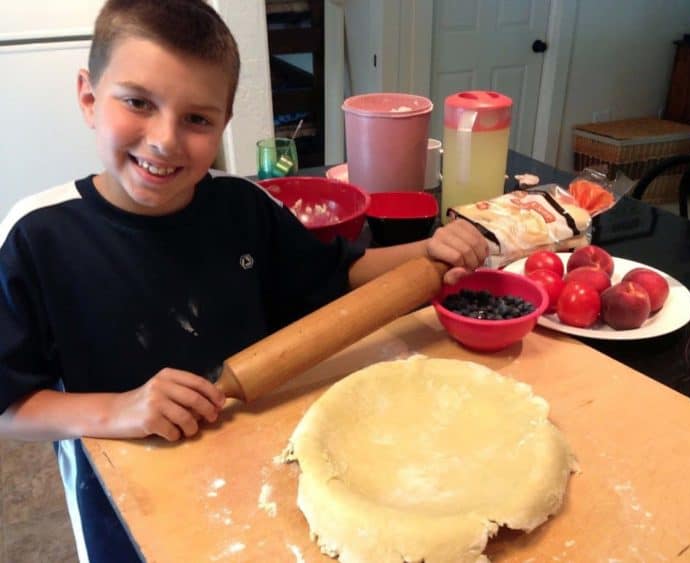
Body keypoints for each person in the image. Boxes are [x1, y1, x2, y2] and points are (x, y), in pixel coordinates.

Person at [0, 1, 488, 561]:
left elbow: (336, 277)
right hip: (129, 508)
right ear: (88, 96)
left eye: (197, 119)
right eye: (138, 102)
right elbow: (10, 406)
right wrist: (120, 410)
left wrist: (425, 252)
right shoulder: (37, 236)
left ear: (224, 124)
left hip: (259, 473)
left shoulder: (243, 205)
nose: (164, 139)